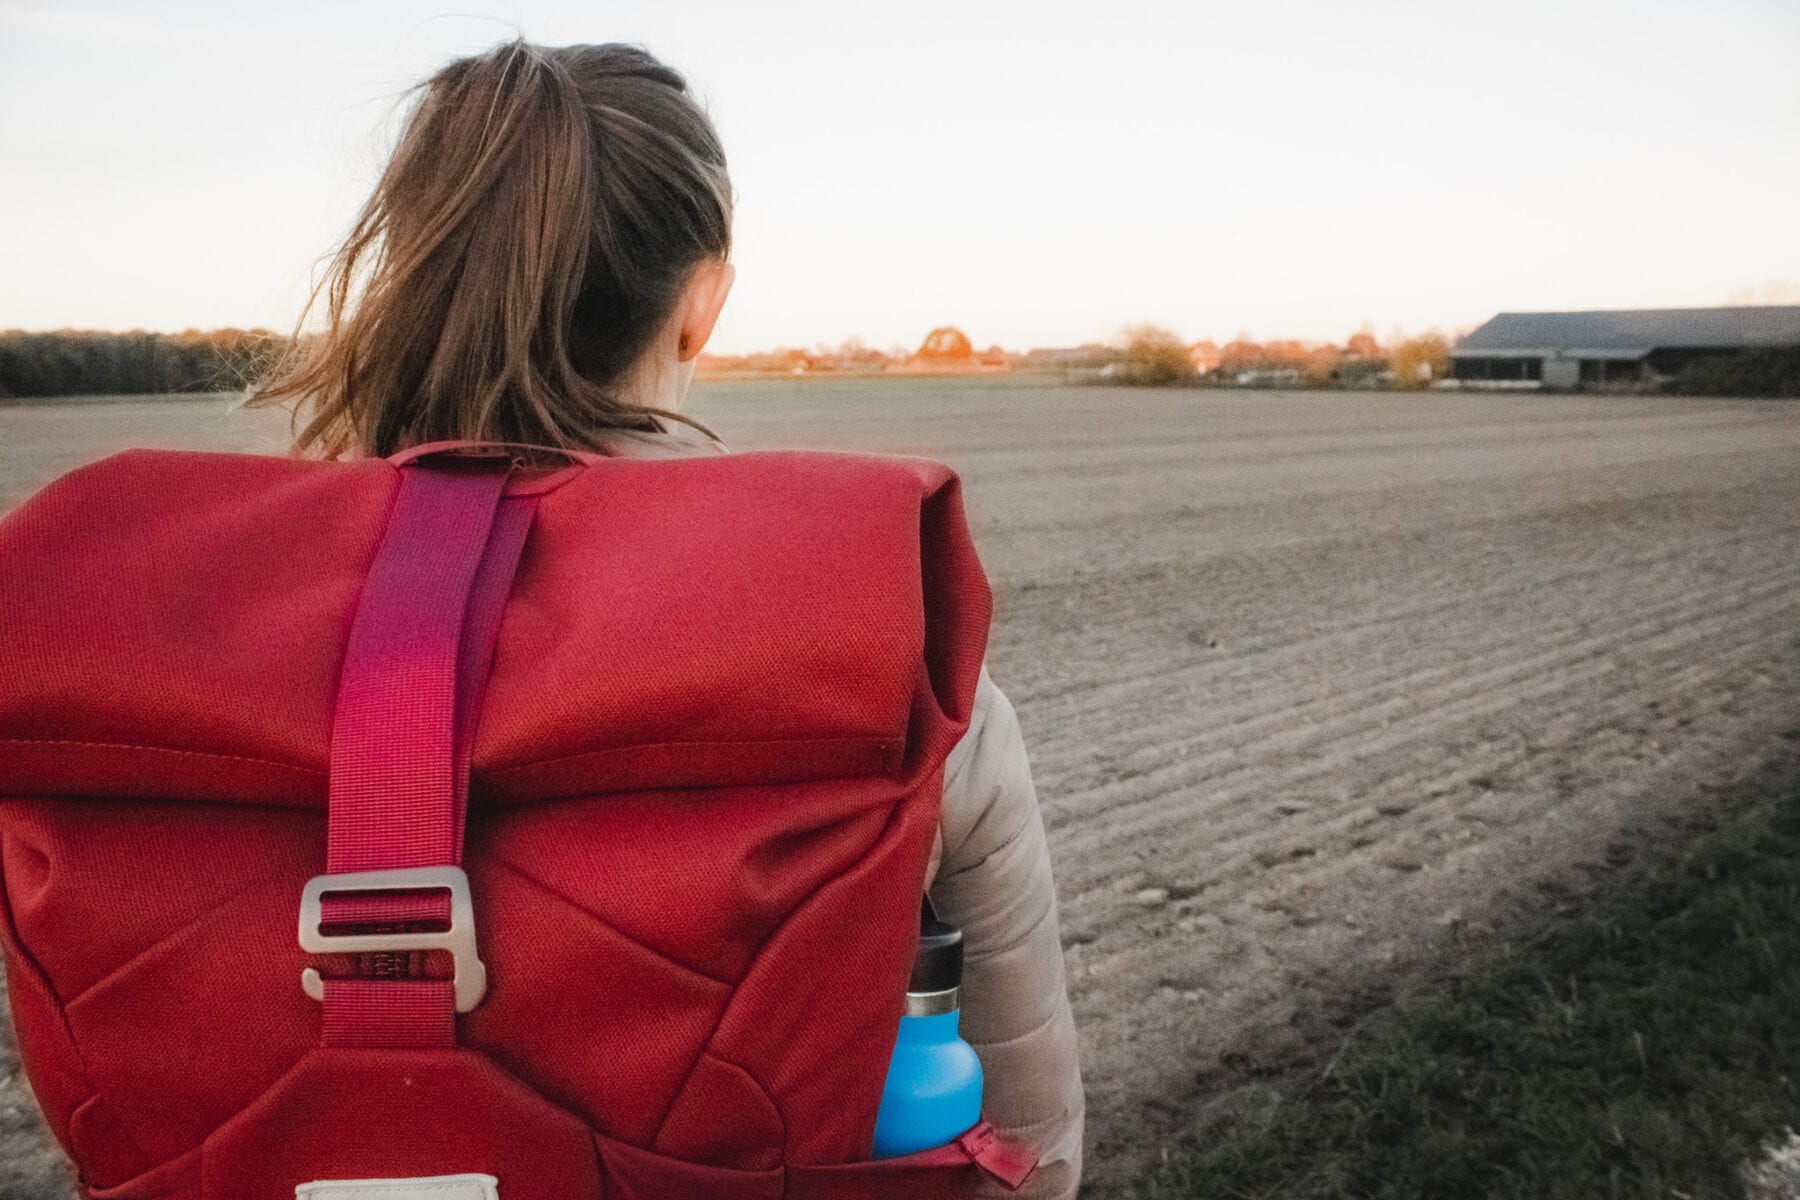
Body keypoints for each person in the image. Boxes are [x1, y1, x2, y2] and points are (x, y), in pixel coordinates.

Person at [251, 39, 1084, 1198]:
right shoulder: (889, 659)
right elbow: (1021, 1155)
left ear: (417, 266)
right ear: (701, 305)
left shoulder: (200, 635)